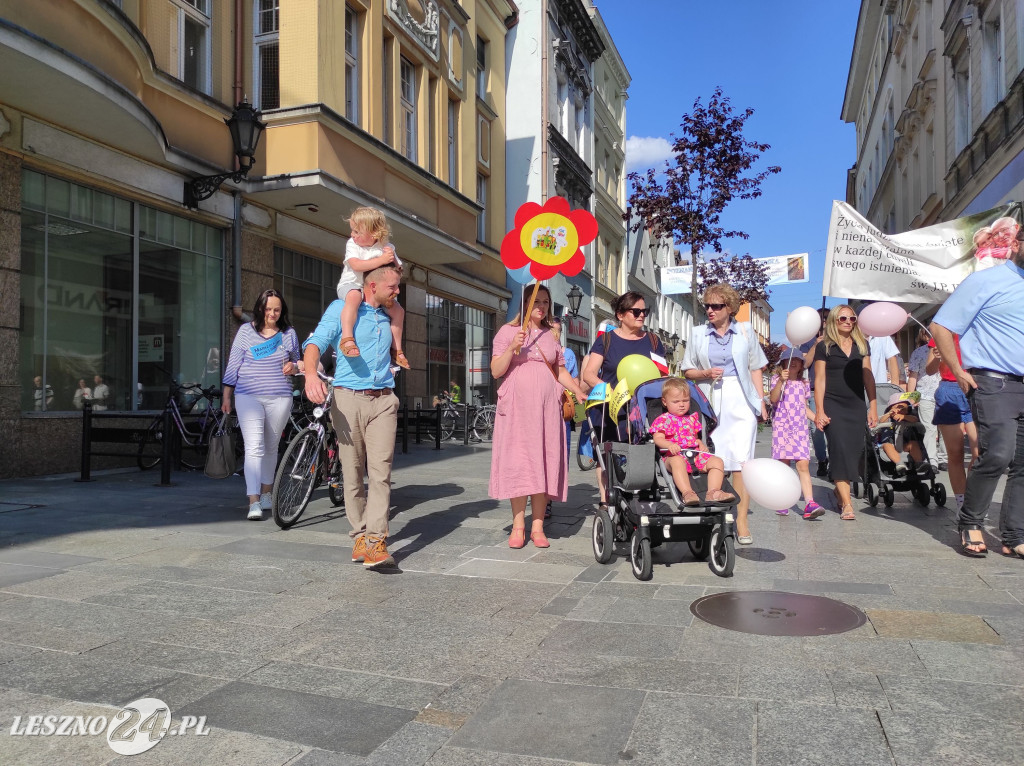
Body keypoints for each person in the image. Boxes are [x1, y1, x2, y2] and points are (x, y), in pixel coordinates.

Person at [305, 265, 403, 567]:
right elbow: (315, 344)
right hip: (349, 400)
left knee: (381, 472)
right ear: (372, 286)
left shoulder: (391, 313)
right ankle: (359, 535)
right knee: (352, 472)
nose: (397, 292)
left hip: (384, 400)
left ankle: (376, 541)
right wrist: (311, 374)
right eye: (393, 287)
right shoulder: (343, 308)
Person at [931, 243, 1024, 557]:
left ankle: (1013, 535)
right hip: (994, 381)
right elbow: (941, 326)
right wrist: (957, 370)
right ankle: (970, 522)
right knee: (998, 453)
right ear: (1018, 244)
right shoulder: (986, 280)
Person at [490, 285, 586, 549]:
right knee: (520, 463)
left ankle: (538, 526)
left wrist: (577, 390)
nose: (541, 307)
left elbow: (560, 372)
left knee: (544, 462)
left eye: (545, 301)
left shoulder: (550, 336)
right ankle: (518, 526)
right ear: (525, 303)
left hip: (547, 409)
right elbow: (496, 371)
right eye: (536, 302)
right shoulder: (508, 332)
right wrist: (511, 348)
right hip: (517, 409)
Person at [680, 283, 767, 545]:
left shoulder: (744, 331)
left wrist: (760, 402)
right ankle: (714, 516)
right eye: (707, 305)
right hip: (710, 400)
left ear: (729, 308)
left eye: (716, 306)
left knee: (742, 463)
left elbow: (755, 368)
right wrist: (705, 373)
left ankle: (741, 520)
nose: (710, 310)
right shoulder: (697, 334)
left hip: (740, 401)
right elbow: (687, 370)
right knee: (714, 459)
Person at [582, 292, 666, 513]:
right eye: (636, 311)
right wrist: (612, 391)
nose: (641, 316)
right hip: (611, 407)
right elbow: (589, 374)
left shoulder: (653, 341)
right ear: (620, 314)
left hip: (643, 410)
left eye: (644, 312)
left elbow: (662, 376)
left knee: (643, 454)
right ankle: (606, 500)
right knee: (607, 455)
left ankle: (640, 496)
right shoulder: (606, 340)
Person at [222, 289, 300, 521]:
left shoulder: (289, 333)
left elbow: (298, 361)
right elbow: (233, 364)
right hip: (248, 395)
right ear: (259, 309)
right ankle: (253, 500)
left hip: (280, 396)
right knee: (254, 446)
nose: (272, 314)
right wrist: (227, 395)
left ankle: (267, 493)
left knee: (271, 445)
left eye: (276, 309)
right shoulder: (246, 331)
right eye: (268, 309)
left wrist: (294, 368)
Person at [813, 305, 878, 521]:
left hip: (856, 404)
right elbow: (819, 379)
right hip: (833, 403)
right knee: (839, 449)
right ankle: (847, 504)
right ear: (834, 320)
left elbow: (868, 377)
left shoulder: (862, 345)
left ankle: (839, 490)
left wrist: (874, 406)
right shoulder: (824, 347)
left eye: (852, 318)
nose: (848, 321)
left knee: (853, 451)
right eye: (843, 318)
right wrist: (819, 410)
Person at [335, 207, 409, 369]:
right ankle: (347, 338)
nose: (352, 235)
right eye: (352, 231)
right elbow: (356, 265)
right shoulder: (353, 245)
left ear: (374, 233)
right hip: (352, 284)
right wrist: (382, 259)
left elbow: (398, 271)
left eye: (357, 232)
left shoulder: (386, 246)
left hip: (374, 293)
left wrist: (394, 261)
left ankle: (396, 348)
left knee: (398, 311)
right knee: (354, 297)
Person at [649, 377, 735, 506]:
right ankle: (687, 493)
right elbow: (658, 438)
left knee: (717, 461)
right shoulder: (663, 420)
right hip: (673, 457)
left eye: (686, 400)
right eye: (676, 401)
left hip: (694, 456)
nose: (682, 404)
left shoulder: (692, 419)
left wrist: (701, 444)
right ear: (665, 402)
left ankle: (713, 492)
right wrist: (670, 445)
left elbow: (695, 438)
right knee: (678, 462)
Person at [926, 335, 978, 513]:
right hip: (949, 391)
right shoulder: (943, 332)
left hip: (977, 388)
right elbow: (930, 369)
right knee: (955, 454)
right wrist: (938, 357)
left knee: (980, 454)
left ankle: (974, 499)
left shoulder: (979, 326)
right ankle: (962, 506)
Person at [768, 355, 824, 519]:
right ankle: (783, 500)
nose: (793, 363)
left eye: (798, 361)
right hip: (782, 428)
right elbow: (773, 399)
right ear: (783, 363)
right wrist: (780, 382)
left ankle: (809, 503)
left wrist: (816, 419)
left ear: (801, 366)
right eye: (790, 360)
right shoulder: (777, 379)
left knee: (803, 465)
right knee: (784, 466)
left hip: (799, 429)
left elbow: (803, 407)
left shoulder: (804, 384)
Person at [549, 317, 580, 519]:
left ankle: (549, 498)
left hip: (562, 411)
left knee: (560, 454)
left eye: (559, 330)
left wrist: (577, 405)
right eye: (552, 329)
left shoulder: (568, 354)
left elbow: (574, 381)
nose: (556, 333)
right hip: (540, 408)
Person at [907, 329, 946, 470]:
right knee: (930, 428)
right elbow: (913, 377)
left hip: (945, 393)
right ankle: (933, 460)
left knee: (945, 428)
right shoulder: (918, 353)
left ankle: (944, 458)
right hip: (925, 395)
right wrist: (910, 398)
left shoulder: (949, 348)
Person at [802, 310, 831, 477]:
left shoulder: (837, 338)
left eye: (827, 319)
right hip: (815, 389)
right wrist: (815, 345)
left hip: (834, 389)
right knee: (816, 427)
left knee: (834, 427)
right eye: (822, 320)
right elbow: (805, 363)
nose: (824, 323)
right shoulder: (808, 341)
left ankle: (836, 461)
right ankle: (822, 459)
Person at [875, 392, 927, 473]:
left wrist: (904, 417)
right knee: (887, 446)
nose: (899, 410)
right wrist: (889, 414)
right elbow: (880, 421)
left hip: (904, 445)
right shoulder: (888, 417)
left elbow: (915, 419)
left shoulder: (909, 417)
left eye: (902, 408)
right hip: (890, 443)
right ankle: (899, 464)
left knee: (913, 444)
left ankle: (919, 463)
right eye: (896, 407)